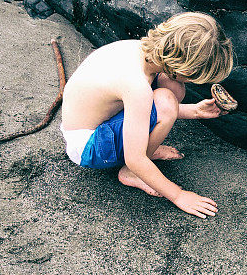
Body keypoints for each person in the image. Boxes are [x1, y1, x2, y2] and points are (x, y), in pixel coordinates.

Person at [59, 12, 235, 219]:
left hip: (94, 122)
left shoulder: (139, 49)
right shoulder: (136, 86)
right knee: (167, 101)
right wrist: (179, 196)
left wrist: (195, 111)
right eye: (193, 77)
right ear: (182, 67)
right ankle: (130, 174)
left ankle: (142, 148)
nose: (192, 82)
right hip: (88, 146)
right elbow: (135, 157)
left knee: (172, 88)